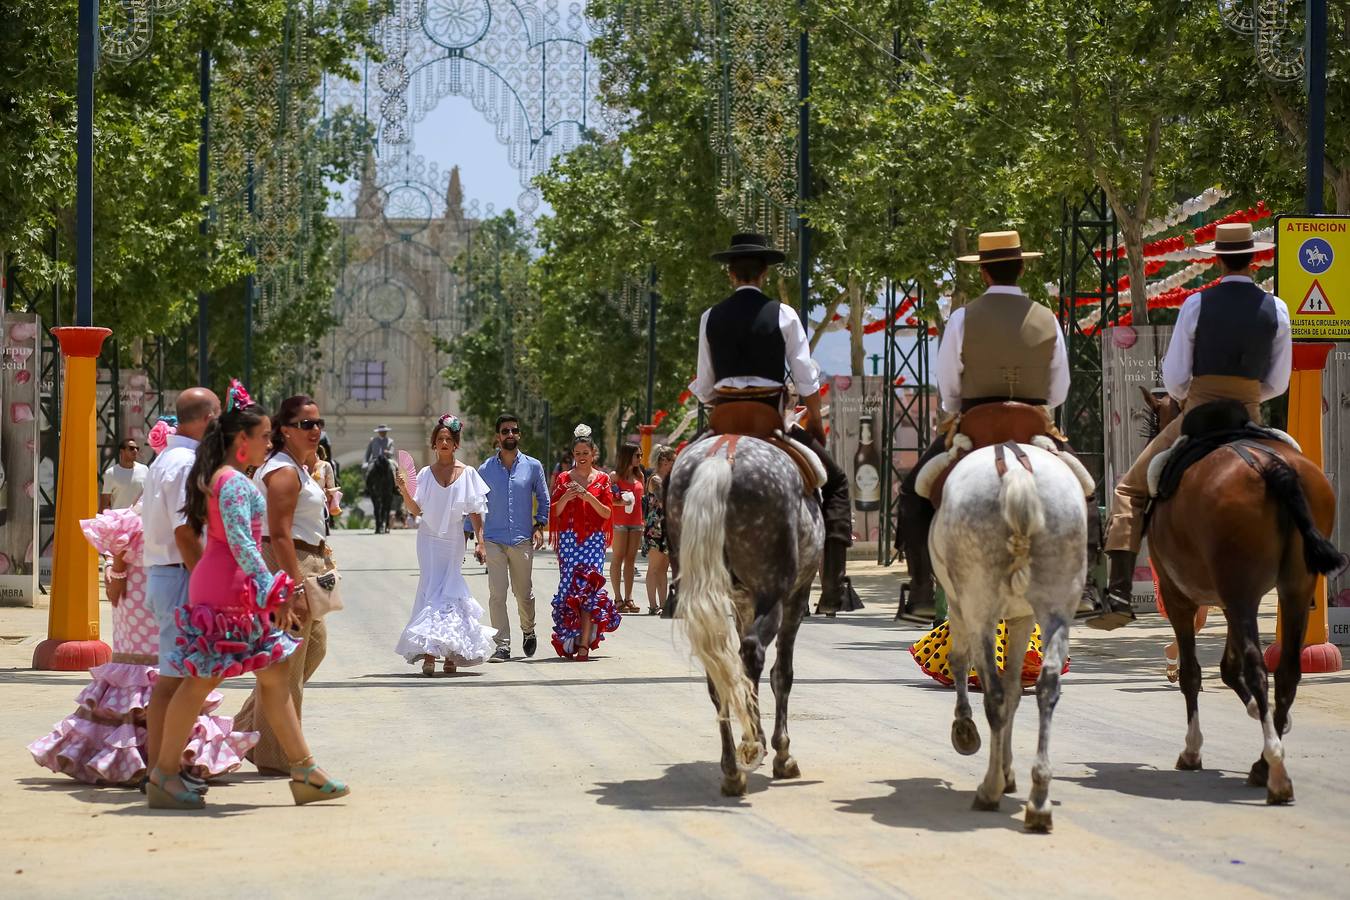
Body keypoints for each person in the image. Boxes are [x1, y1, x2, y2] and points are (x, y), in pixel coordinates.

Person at [149, 380, 348, 809]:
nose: (267, 443)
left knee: (273, 677)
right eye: (262, 437)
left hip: (225, 586)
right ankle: (164, 774)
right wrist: (274, 589)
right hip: (228, 591)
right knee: (201, 682)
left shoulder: (224, 478)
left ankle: (304, 769)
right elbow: (243, 542)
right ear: (242, 441)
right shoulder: (234, 483)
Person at [1099, 221, 1292, 629]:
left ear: (1217, 259)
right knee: (1299, 476)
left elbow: (1173, 378)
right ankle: (1305, 576)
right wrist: (1248, 395)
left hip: (1199, 411)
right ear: (1255, 260)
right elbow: (1278, 381)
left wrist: (1194, 393)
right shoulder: (1277, 308)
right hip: (1251, 412)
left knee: (1130, 488)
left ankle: (1118, 593)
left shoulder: (1196, 304)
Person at [894, 229, 1073, 620]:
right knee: (1084, 491)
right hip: (1034, 425)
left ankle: (923, 590)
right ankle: (1090, 586)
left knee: (913, 493)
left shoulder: (962, 318)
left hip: (976, 424)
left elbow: (949, 387)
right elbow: (1059, 388)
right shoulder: (1047, 318)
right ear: (1021, 268)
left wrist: (960, 408)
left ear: (983, 274)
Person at [28, 501, 256, 786]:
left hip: (157, 581)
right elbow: (134, 526)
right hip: (145, 584)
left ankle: (157, 756)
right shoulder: (177, 473)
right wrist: (119, 570)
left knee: (162, 669)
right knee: (151, 666)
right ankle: (156, 758)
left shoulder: (188, 475)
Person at [691, 232, 852, 612]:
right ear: (764, 273)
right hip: (771, 418)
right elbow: (805, 376)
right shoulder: (784, 314)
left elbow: (705, 383)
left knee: (679, 479)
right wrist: (813, 418)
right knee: (838, 482)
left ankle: (683, 578)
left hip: (725, 414)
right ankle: (833, 585)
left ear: (730, 274)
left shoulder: (710, 317)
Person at [232, 395, 341, 775]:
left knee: (315, 648)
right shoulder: (281, 471)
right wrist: (292, 587)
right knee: (288, 663)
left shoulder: (298, 466)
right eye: (306, 424)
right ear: (285, 430)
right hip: (291, 562)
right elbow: (278, 533)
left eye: (318, 423)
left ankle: (242, 732)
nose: (315, 430)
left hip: (312, 560)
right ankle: (277, 757)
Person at [142, 387, 220, 795]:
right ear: (207, 419)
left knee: (178, 678)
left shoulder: (167, 460)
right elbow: (186, 534)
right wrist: (208, 581)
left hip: (168, 574)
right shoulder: (187, 463)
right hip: (179, 576)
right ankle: (161, 774)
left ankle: (164, 768)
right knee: (173, 682)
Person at [394, 414, 496, 674]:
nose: (443, 443)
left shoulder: (468, 473)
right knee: (430, 591)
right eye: (439, 439)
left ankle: (450, 652)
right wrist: (405, 490)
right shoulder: (426, 474)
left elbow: (475, 511)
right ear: (434, 444)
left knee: (450, 591)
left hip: (453, 540)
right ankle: (430, 653)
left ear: (455, 444)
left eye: (448, 439)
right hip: (428, 540)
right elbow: (416, 510)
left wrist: (480, 543)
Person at [477, 413, 550, 662]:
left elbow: (544, 497)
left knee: (523, 593)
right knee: (497, 594)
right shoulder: (485, 469)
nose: (510, 435)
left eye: (514, 431)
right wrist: (474, 536)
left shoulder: (533, 466)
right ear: (498, 436)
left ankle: (528, 630)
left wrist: (539, 524)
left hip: (521, 539)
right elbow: (476, 503)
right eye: (505, 431)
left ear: (519, 435)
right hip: (494, 539)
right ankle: (503, 645)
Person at [548, 424, 621, 660]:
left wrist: (588, 496)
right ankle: (572, 636)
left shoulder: (601, 479)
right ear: (573, 455)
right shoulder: (563, 479)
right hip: (569, 542)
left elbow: (607, 514)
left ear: (593, 454)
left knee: (588, 590)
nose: (581, 457)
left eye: (585, 453)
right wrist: (566, 497)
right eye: (577, 454)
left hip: (593, 541)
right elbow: (555, 513)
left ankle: (584, 644)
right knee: (571, 590)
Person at [608, 442, 645, 614]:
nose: (640, 458)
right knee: (618, 558)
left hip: (637, 523)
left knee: (631, 560)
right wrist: (619, 502)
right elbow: (606, 498)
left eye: (641, 455)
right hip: (619, 522)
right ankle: (617, 598)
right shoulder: (614, 477)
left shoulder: (640, 477)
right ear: (627, 455)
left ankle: (629, 598)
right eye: (637, 455)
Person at [642, 445, 676, 615]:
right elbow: (664, 501)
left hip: (668, 525)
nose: (674, 463)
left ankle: (663, 604)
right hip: (656, 527)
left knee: (664, 568)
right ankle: (653, 605)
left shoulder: (670, 479)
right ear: (663, 460)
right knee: (654, 567)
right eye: (672, 460)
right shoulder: (655, 479)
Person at [100, 438, 148, 510]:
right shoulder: (110, 473)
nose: (135, 451)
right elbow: (104, 503)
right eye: (131, 448)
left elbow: (149, 495)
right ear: (122, 451)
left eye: (137, 448)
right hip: (120, 519)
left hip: (139, 518)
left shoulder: (144, 469)